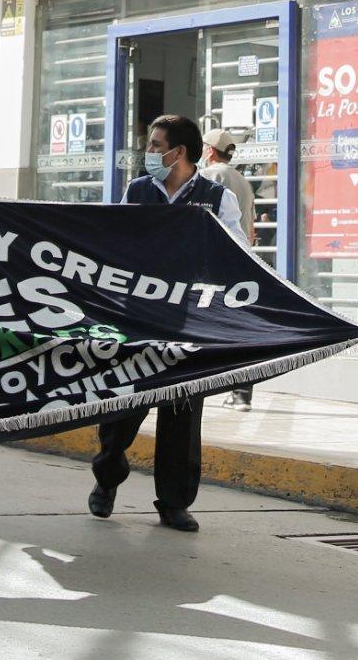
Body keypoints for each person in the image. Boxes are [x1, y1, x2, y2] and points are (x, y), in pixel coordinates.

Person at [89, 114, 240, 531]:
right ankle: (107, 477)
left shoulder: (217, 198)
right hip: (136, 322)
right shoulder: (138, 191)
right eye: (151, 145)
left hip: (189, 327)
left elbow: (236, 257)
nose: (149, 153)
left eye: (156, 146)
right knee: (120, 410)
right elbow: (116, 246)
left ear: (180, 152)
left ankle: (174, 503)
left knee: (182, 417)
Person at [200, 127, 259, 405]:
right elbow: (251, 227)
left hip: (214, 263)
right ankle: (242, 391)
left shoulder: (209, 177)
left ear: (209, 150)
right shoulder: (243, 181)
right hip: (241, 262)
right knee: (238, 326)